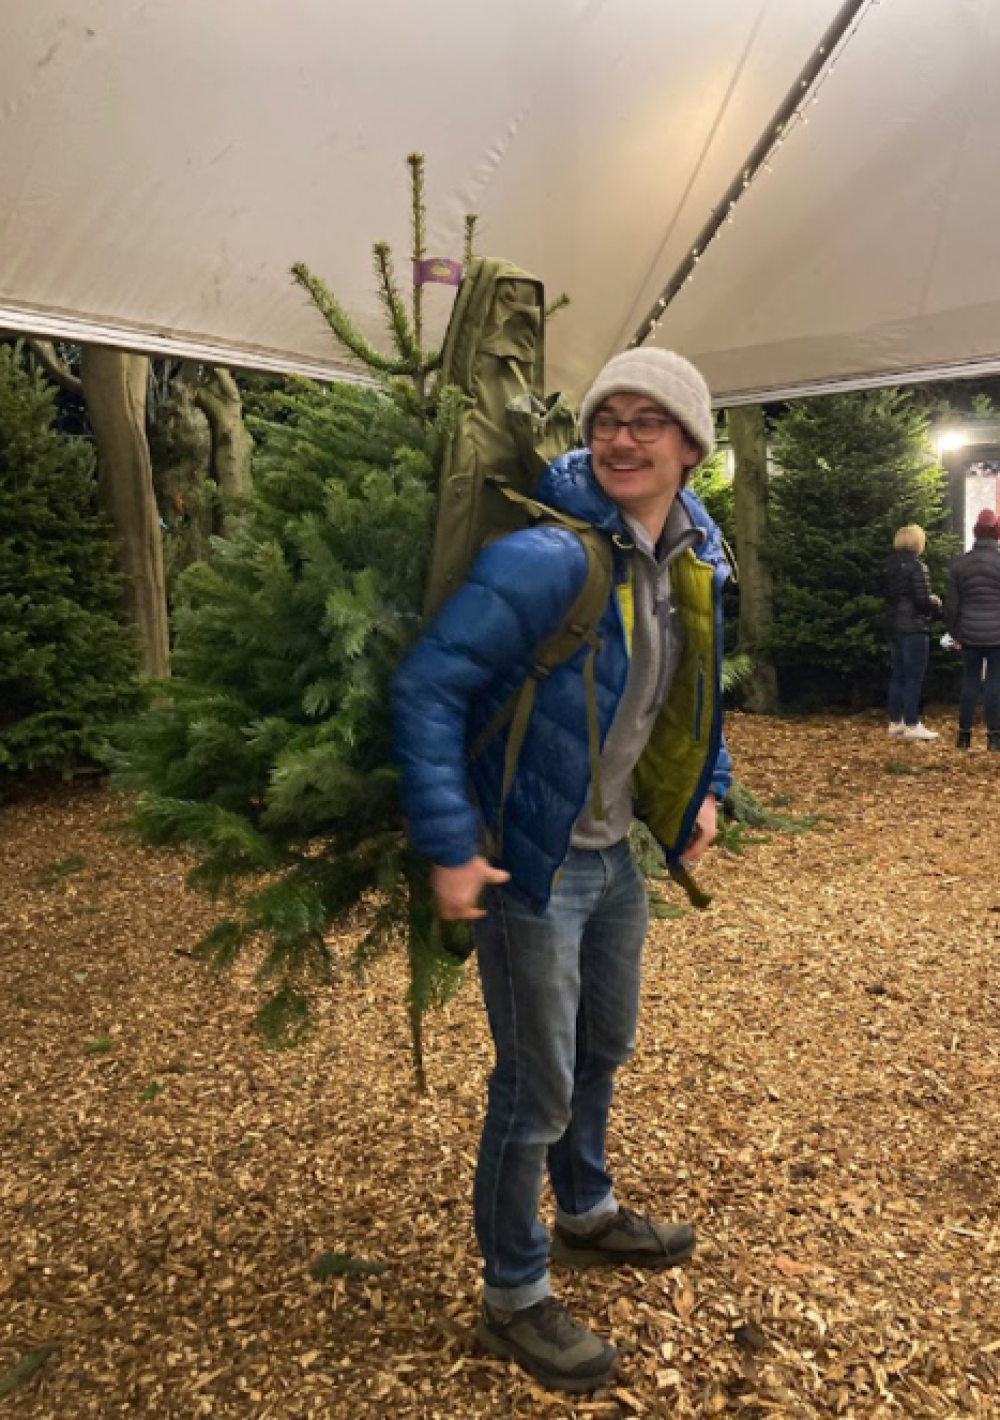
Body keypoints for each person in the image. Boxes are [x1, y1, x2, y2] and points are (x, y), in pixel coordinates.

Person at [392, 348, 731, 1394]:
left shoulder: (688, 550)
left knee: (603, 1045)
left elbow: (688, 688)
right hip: (532, 864)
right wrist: (454, 847)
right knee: (532, 1085)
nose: (621, 438)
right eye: (606, 419)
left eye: (648, 420)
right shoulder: (548, 557)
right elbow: (427, 690)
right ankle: (513, 1293)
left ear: (689, 446)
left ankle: (582, 1211)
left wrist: (706, 779)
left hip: (612, 850)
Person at [945, 506, 1000, 751]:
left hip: (968, 632)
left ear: (975, 533)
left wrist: (954, 633)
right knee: (995, 683)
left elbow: (952, 605)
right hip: (998, 634)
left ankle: (964, 736)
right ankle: (994, 737)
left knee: (969, 682)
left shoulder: (960, 565)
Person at [883, 524, 941, 741]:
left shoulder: (888, 566)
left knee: (897, 674)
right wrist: (935, 603)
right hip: (914, 627)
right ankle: (912, 723)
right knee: (914, 677)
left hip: (894, 625)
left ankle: (895, 721)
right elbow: (922, 601)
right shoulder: (918, 567)